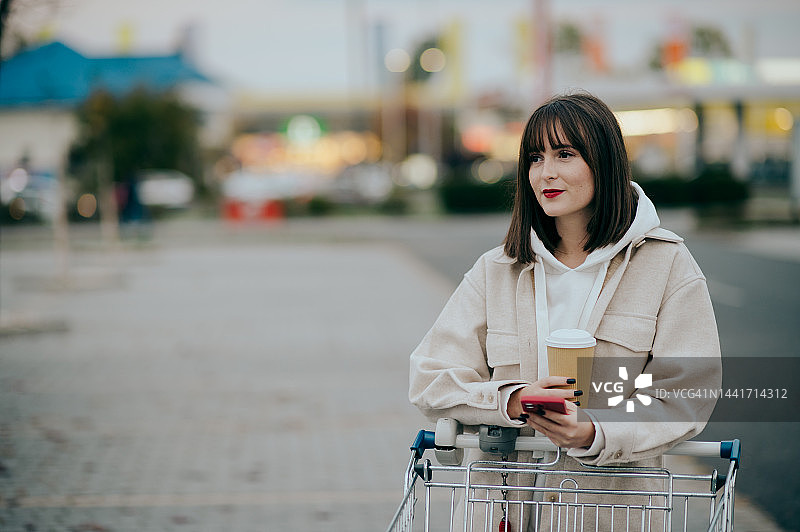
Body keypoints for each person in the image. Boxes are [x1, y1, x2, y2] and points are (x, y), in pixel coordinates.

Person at [408, 92, 722, 531]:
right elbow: (430, 377)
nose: (546, 172)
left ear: (605, 162)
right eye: (535, 157)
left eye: (565, 154)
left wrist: (596, 430)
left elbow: (687, 392)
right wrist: (513, 399)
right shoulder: (496, 270)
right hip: (504, 510)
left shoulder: (667, 265)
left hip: (613, 511)